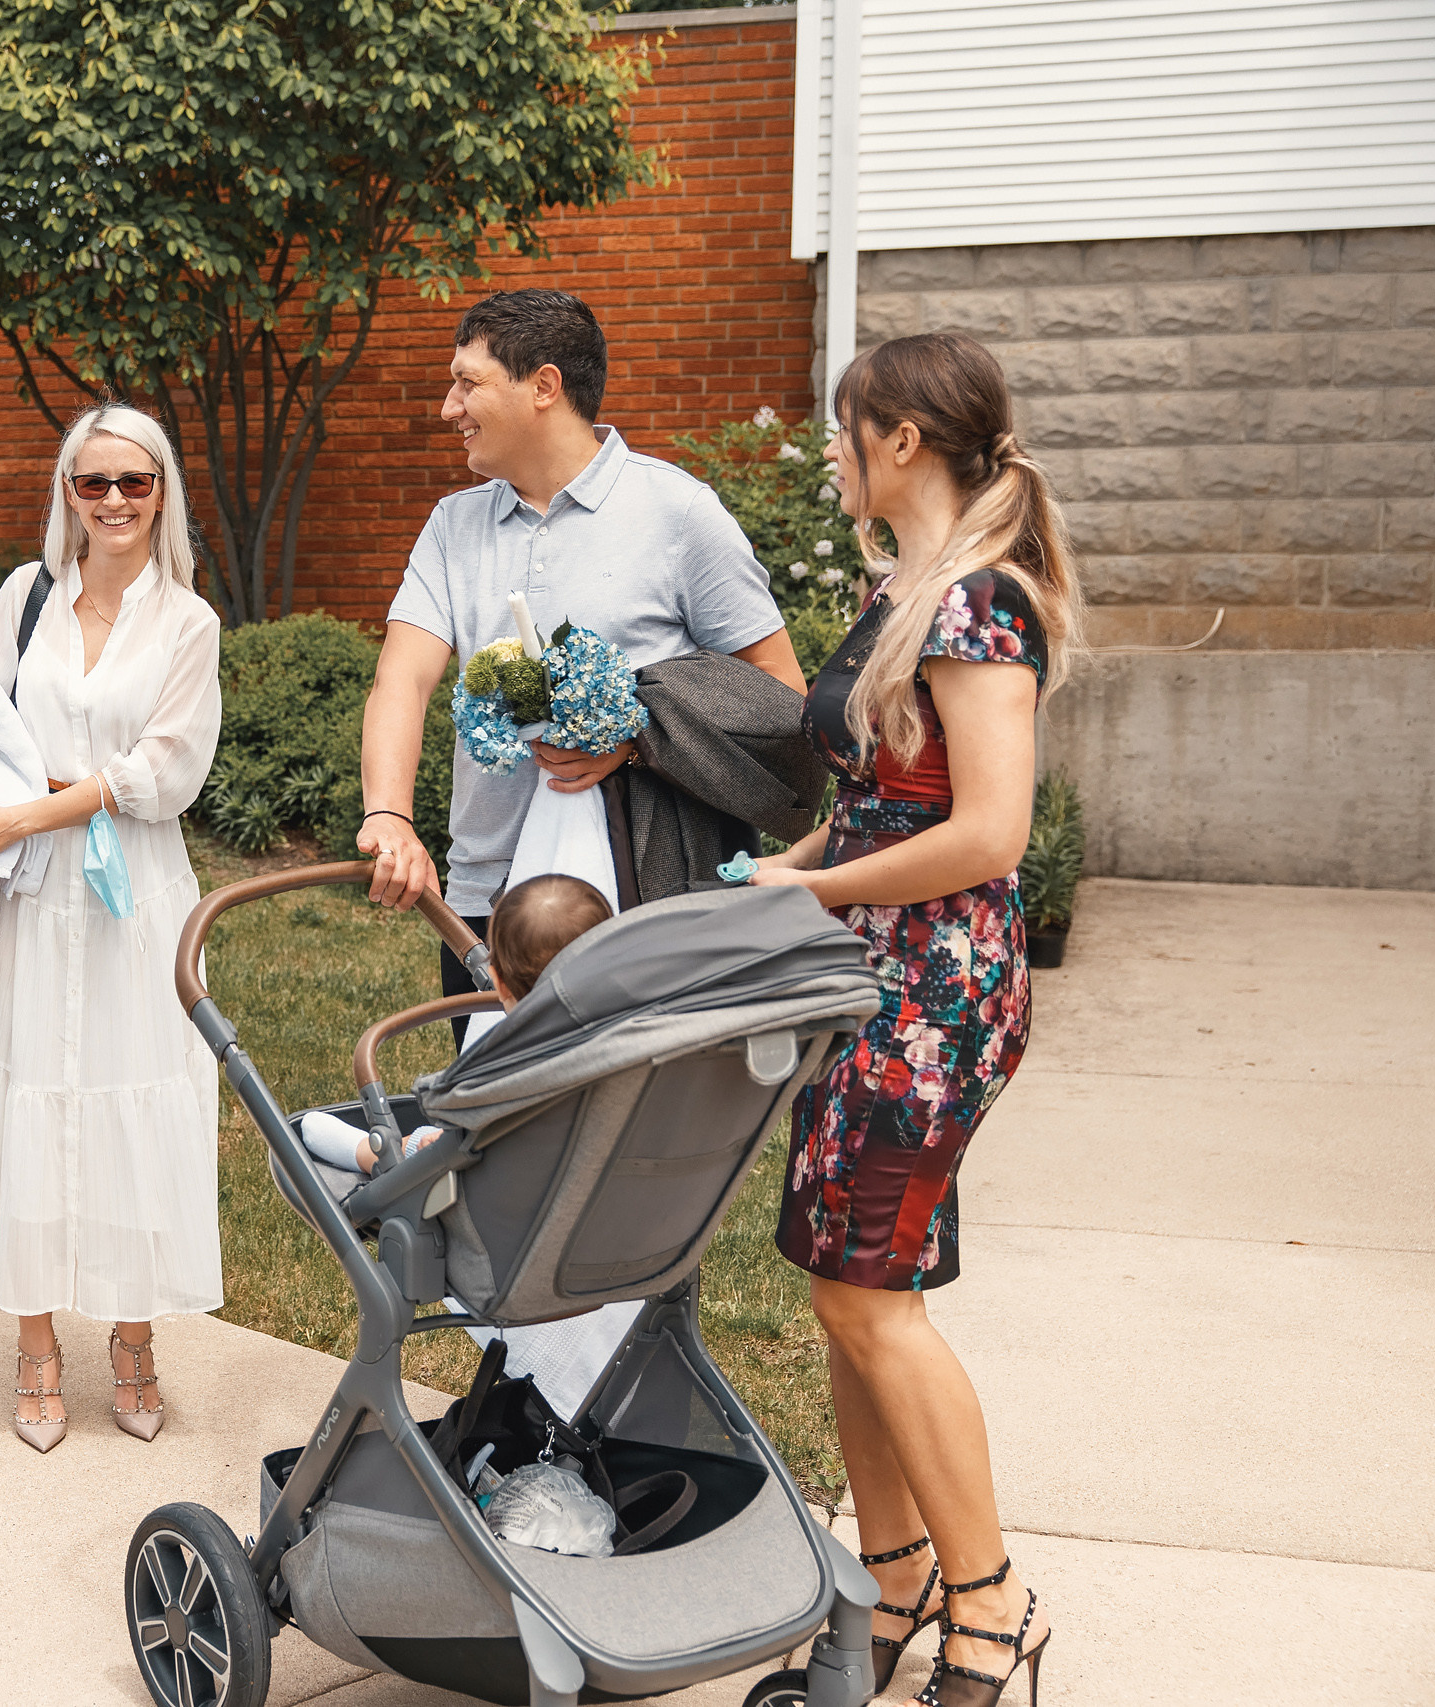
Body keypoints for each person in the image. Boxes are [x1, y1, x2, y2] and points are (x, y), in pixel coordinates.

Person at [747, 331, 1079, 1705]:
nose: (831, 453)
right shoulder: (902, 591)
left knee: (870, 1297)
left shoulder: (979, 604)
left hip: (937, 992)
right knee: (843, 1292)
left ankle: (994, 1599)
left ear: (899, 442)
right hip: (867, 976)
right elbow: (889, 790)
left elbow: (988, 833)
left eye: (844, 430)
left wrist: (818, 879)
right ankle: (890, 1576)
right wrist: (791, 868)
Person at [0, 402, 224, 1453]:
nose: (115, 501)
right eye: (94, 484)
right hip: (32, 892)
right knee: (32, 1093)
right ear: (68, 494)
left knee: (132, 1090)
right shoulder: (25, 596)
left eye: (135, 482)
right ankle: (36, 1344)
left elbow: (162, 775)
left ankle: (132, 1340)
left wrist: (33, 804)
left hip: (134, 896)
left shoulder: (187, 622)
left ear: (162, 492)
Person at [358, 288, 806, 1019]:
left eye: (467, 382)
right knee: (498, 1122)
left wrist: (639, 737)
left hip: (640, 897)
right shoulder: (452, 525)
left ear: (543, 386)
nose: (449, 406)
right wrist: (390, 815)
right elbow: (401, 681)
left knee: (640, 1125)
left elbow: (780, 697)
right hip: (486, 903)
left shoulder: (679, 513)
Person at [298, 873, 612, 1175]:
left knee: (429, 1142)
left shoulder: (499, 1074)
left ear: (498, 982)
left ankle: (366, 1153)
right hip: (604, 1188)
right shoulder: (631, 1047)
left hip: (506, 1186)